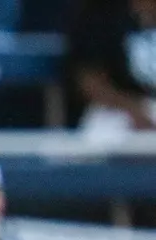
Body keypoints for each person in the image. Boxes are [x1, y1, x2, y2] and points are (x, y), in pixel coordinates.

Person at [67, 0, 156, 137]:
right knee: (100, 135)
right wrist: (132, 109)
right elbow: (88, 78)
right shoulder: (102, 11)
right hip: (116, 109)